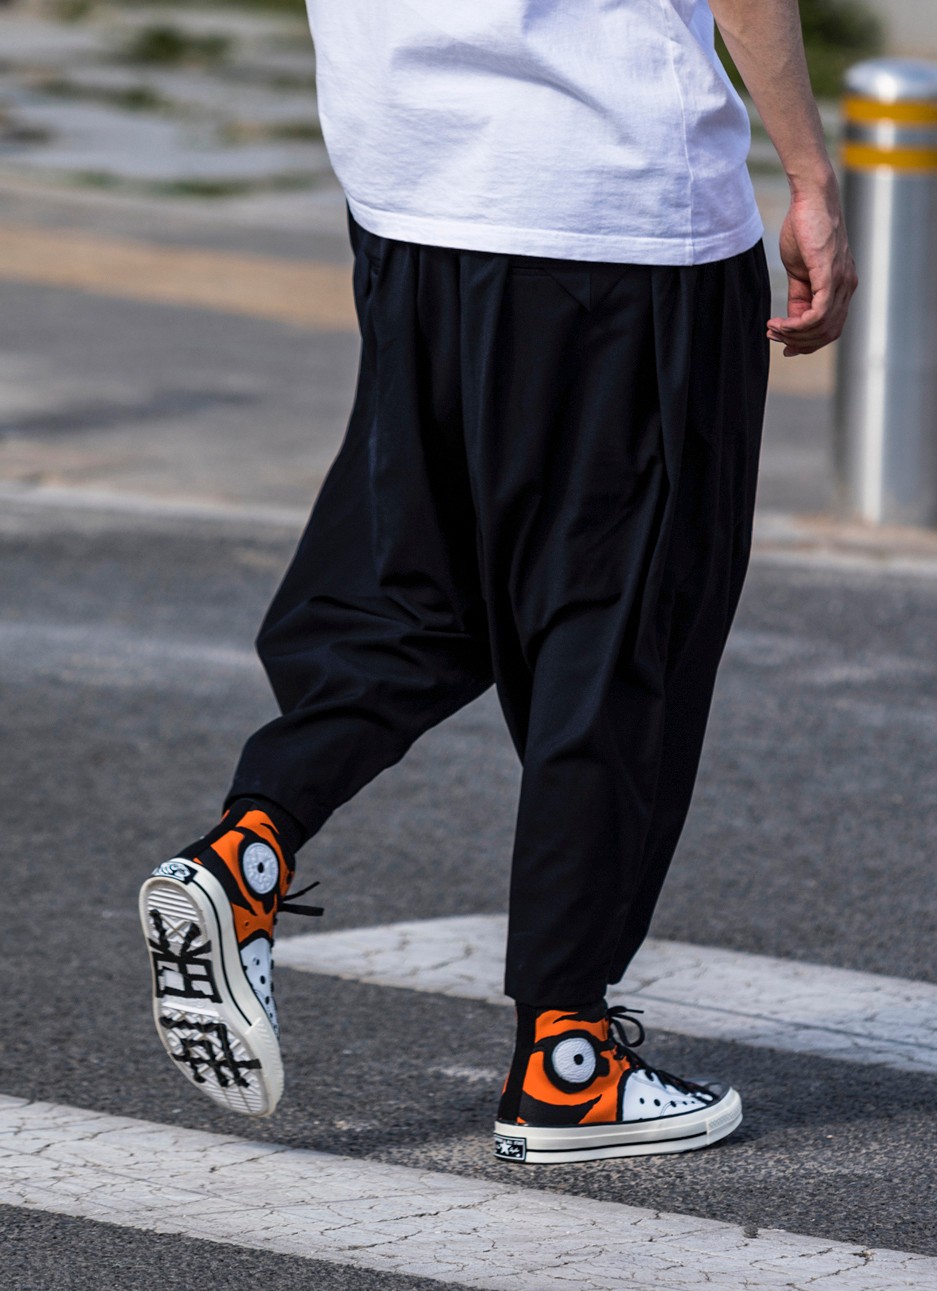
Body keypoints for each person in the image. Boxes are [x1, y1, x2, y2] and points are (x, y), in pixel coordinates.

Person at [139, 0, 856, 1165]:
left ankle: (246, 852)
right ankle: (567, 1055)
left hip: (410, 191)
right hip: (613, 207)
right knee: (621, 624)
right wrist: (810, 175)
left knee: (422, 592)